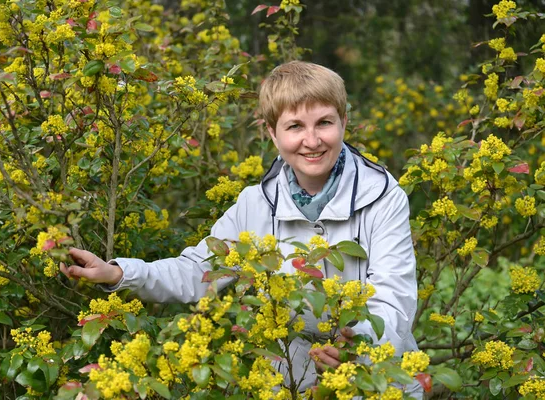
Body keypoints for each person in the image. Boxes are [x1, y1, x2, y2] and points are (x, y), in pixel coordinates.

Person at [60, 61, 421, 395]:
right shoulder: (256, 203)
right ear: (272, 133)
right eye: (295, 126)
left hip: (375, 378)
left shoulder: (382, 197)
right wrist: (118, 272)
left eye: (324, 122)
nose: (312, 141)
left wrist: (356, 346)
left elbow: (394, 298)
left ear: (343, 121)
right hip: (289, 380)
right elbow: (199, 272)